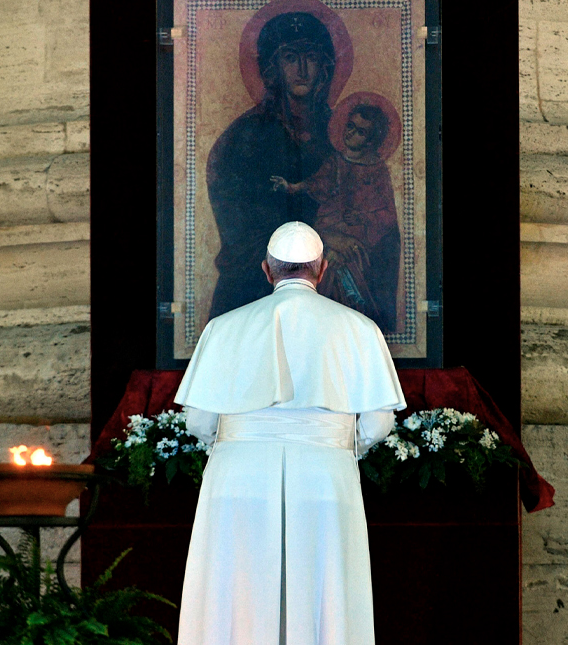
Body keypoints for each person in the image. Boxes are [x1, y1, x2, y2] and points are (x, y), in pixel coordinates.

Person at [174, 221, 406, 644]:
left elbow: (200, 423)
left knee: (235, 590)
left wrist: (240, 442)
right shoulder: (360, 329)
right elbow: (377, 424)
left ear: (266, 270)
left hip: (238, 477)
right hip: (324, 477)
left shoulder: (223, 328)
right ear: (323, 269)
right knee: (326, 588)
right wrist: (336, 444)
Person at [206, 11, 338, 319]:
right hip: (257, 285)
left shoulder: (341, 130)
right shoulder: (244, 136)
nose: (302, 69)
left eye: (311, 58)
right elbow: (237, 224)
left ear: (325, 67)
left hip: (325, 281)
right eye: (291, 58)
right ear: (273, 68)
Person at [270, 100, 400, 331]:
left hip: (360, 236)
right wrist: (291, 187)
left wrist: (363, 219)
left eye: (360, 132)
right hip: (329, 227)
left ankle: (350, 323)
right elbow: (316, 183)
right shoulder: (336, 162)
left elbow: (387, 214)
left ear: (371, 140)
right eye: (350, 126)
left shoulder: (378, 170)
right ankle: (322, 324)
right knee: (327, 262)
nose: (351, 133)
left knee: (347, 261)